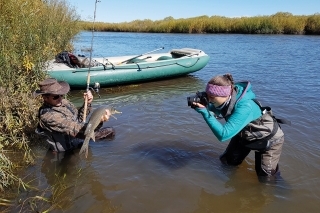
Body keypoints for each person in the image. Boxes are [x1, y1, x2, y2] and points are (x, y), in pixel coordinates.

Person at [191, 73, 285, 180]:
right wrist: (203, 104)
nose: (209, 100)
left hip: (269, 139)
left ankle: (280, 191)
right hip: (243, 134)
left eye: (211, 97)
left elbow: (223, 135)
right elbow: (216, 107)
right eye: (207, 96)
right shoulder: (226, 100)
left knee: (266, 178)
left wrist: (204, 112)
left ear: (225, 95)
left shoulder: (245, 107)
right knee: (227, 162)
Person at [34, 78, 115, 153]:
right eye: (55, 97)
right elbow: (75, 129)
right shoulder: (48, 116)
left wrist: (87, 103)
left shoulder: (64, 102)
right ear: (45, 98)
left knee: (110, 131)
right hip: (66, 152)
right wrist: (98, 121)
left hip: (78, 140)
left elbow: (79, 119)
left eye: (61, 95)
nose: (60, 99)